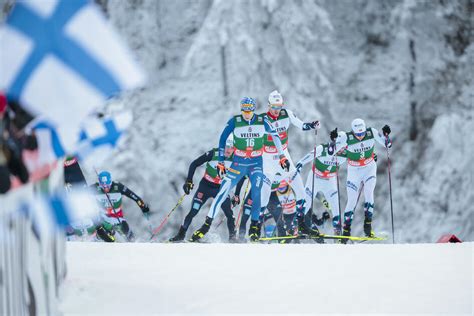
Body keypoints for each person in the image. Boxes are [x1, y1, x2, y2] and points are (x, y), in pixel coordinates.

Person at [190, 97, 289, 242]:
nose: (247, 113)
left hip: (256, 164)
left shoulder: (262, 121)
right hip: (238, 164)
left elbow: (275, 136)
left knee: (256, 193)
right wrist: (221, 162)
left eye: (249, 110)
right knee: (222, 192)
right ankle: (206, 225)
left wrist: (281, 156)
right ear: (241, 109)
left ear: (253, 109)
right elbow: (223, 139)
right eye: (244, 110)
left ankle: (254, 227)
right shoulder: (235, 121)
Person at [260, 90, 320, 237]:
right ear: (269, 105)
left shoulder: (286, 114)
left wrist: (311, 125)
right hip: (267, 156)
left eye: (279, 107)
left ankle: (302, 225)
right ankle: (255, 228)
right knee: (265, 193)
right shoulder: (262, 119)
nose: (276, 110)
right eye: (274, 107)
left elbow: (301, 125)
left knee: (300, 190)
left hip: (284, 155)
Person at [169, 137, 239, 242]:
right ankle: (181, 235)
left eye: (232, 148)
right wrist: (189, 181)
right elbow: (194, 164)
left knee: (229, 214)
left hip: (220, 189)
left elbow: (240, 177)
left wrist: (236, 194)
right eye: (226, 147)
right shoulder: (213, 153)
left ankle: (233, 239)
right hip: (205, 187)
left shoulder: (236, 159)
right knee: (193, 211)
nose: (228, 150)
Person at [334, 119, 391, 238]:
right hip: (354, 171)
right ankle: (346, 230)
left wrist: (386, 136)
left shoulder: (371, 132)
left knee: (369, 193)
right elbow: (331, 151)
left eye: (362, 133)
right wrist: (333, 140)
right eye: (357, 134)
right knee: (352, 200)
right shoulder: (346, 137)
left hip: (369, 168)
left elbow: (387, 145)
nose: (360, 136)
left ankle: (367, 227)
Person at [295, 130, 347, 235]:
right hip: (315, 178)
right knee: (307, 202)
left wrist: (372, 156)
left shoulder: (346, 153)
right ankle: (296, 227)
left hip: (330, 181)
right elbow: (309, 155)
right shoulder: (323, 148)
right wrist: (300, 163)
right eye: (341, 147)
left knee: (335, 205)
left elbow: (360, 155)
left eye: (345, 147)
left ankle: (338, 231)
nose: (342, 150)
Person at [90, 170, 150, 242]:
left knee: (126, 231)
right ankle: (96, 239)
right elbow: (80, 192)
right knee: (106, 233)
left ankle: (133, 243)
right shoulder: (95, 188)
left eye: (108, 186)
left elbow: (133, 196)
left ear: (111, 182)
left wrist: (142, 205)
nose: (106, 188)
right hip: (103, 217)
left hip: (117, 217)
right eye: (103, 186)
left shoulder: (118, 186)